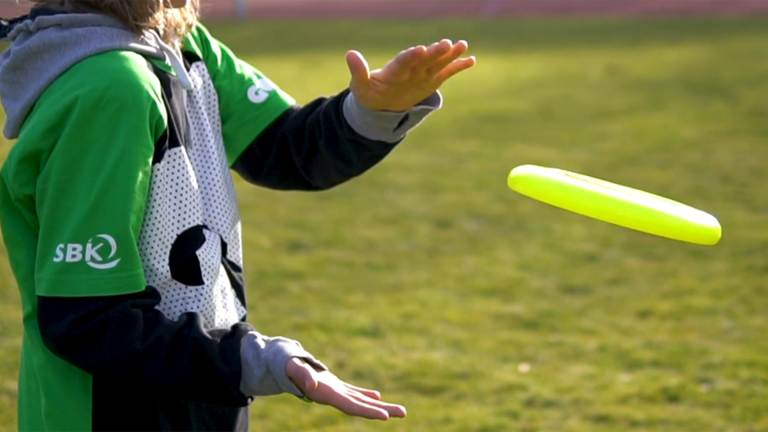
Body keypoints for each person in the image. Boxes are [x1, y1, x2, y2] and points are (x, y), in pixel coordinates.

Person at [0, 0, 476, 430]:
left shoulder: (182, 44)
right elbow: (88, 321)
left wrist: (372, 110)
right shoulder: (109, 87)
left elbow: (286, 148)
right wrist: (252, 359)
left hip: (204, 392)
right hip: (112, 412)